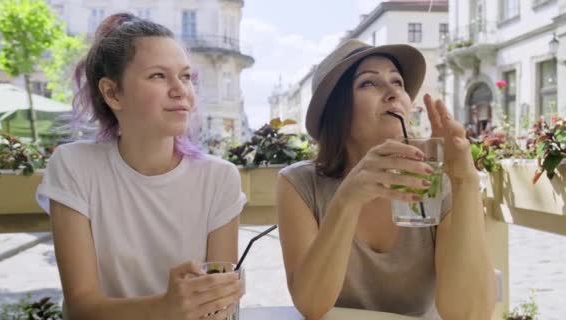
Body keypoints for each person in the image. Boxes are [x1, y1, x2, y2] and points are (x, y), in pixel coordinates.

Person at [36, 13, 246, 320]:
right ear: (112, 93)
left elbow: (219, 305)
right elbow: (81, 306)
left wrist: (221, 297)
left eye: (186, 76)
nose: (180, 90)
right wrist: (165, 307)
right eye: (158, 76)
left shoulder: (220, 177)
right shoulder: (73, 166)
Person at [276, 39, 496, 319]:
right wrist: (347, 198)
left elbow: (469, 314)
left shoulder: (437, 181)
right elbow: (311, 305)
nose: (393, 93)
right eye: (369, 83)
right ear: (337, 110)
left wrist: (464, 181)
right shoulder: (299, 184)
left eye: (398, 82)